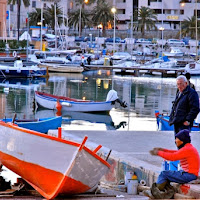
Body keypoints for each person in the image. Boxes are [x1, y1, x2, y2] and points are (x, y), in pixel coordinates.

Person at [144, 129, 200, 199]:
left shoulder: (187, 149)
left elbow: (172, 157)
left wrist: (158, 153)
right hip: (188, 174)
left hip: (189, 175)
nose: (175, 141)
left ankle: (155, 193)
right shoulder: (188, 148)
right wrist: (163, 150)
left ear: (182, 141)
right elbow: (175, 153)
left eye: (177, 139)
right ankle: (162, 192)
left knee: (164, 174)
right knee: (166, 176)